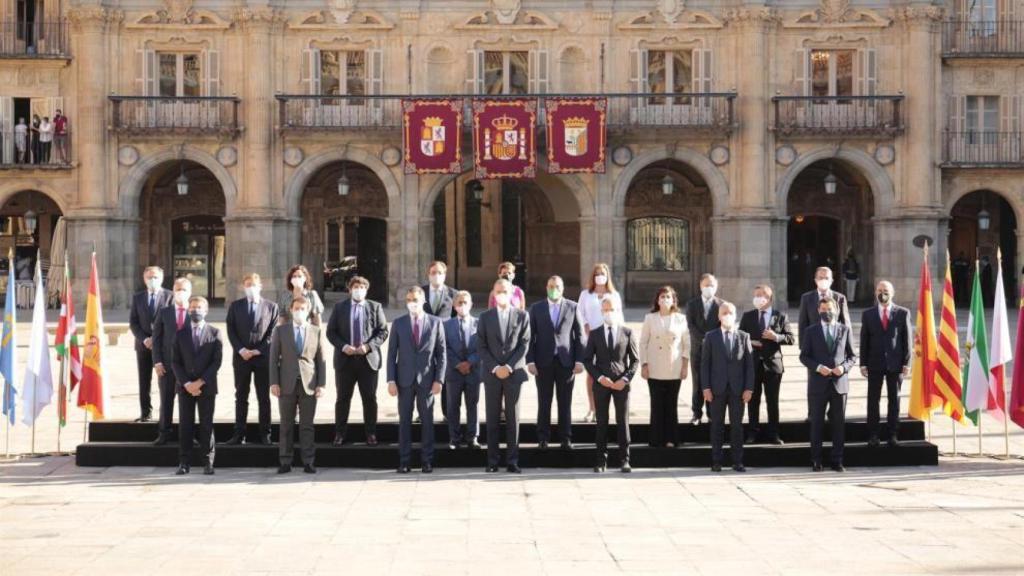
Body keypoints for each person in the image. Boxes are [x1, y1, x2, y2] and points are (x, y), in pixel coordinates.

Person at [387, 287, 446, 473]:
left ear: (424, 301)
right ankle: (404, 461)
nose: (413, 302)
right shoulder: (398, 323)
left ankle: (426, 461)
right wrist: (391, 380)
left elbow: (441, 354)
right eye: (409, 299)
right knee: (405, 421)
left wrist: (439, 380)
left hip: (427, 380)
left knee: (427, 422)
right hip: (404, 380)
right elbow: (391, 355)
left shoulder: (436, 323)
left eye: (416, 299)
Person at [325, 275, 388, 446]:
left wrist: (368, 346)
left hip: (367, 360)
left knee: (369, 398)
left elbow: (382, 331)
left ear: (366, 290)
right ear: (350, 289)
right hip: (345, 360)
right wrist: (343, 346)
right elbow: (331, 332)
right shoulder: (340, 308)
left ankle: (371, 434)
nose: (358, 290)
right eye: (355, 287)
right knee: (343, 398)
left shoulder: (375, 307)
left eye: (362, 287)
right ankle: (339, 433)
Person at [478, 278, 531, 473]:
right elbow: (481, 346)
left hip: (513, 374)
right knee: (492, 418)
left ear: (511, 293)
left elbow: (524, 344)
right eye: (498, 291)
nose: (501, 294)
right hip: (492, 375)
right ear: (493, 293)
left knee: (512, 418)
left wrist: (508, 366)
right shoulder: (484, 317)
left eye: (505, 291)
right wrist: (495, 367)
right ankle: (492, 461)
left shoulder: (522, 316)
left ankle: (512, 460)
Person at [270, 296, 326, 474]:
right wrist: (274, 382)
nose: (299, 311)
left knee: (307, 425)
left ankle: (308, 461)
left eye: (303, 308)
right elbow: (273, 360)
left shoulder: (316, 331)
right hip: (286, 383)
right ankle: (285, 461)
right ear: (291, 310)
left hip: (309, 383)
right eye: (296, 308)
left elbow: (321, 360)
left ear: (308, 310)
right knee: (286, 424)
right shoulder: (281, 331)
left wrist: (321, 384)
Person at [527, 275, 584, 450]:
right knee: (544, 401)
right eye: (551, 286)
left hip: (565, 362)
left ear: (563, 288)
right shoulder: (536, 308)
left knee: (564, 402)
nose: (554, 289)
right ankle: (543, 438)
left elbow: (580, 335)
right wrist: (530, 361)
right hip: (543, 362)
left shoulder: (573, 307)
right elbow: (529, 337)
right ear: (546, 287)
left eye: (557, 286)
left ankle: (565, 438)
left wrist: (579, 360)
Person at [800, 297, 856, 472]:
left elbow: (852, 356)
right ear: (818, 311)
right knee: (816, 423)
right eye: (823, 309)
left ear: (836, 310)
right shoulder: (811, 331)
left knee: (838, 424)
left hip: (839, 384)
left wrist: (843, 368)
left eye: (830, 309)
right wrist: (817, 367)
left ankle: (837, 460)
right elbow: (804, 356)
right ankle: (816, 460)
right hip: (818, 384)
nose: (827, 312)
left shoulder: (844, 329)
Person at [582, 297, 638, 473]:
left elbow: (635, 361)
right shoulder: (595, 333)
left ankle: (625, 459)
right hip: (602, 384)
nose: (609, 313)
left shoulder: (627, 332)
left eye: (611, 309)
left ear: (617, 310)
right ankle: (601, 460)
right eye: (605, 310)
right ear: (601, 312)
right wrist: (599, 378)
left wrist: (625, 379)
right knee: (602, 422)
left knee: (622, 421)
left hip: (621, 384)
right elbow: (587, 360)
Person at [224, 273, 280, 445]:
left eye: (254, 284)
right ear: (243, 286)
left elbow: (272, 333)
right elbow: (231, 330)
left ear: (260, 286)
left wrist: (258, 350)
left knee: (263, 397)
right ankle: (239, 433)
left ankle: (265, 434)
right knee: (241, 396)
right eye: (248, 284)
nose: (251, 287)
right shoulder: (235, 306)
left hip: (262, 358)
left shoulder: (271, 307)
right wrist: (241, 349)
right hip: (241, 358)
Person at [172, 297, 223, 476]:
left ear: (206, 310)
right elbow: (175, 362)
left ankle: (208, 462)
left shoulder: (215, 333)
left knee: (206, 425)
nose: (195, 310)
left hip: (206, 387)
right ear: (188, 310)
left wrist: (200, 382)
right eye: (192, 307)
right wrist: (187, 384)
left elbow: (216, 362)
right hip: (185, 388)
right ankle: (184, 463)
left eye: (199, 307)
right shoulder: (180, 333)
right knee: (185, 425)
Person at [701, 302, 754, 473]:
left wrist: (749, 388)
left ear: (735, 315)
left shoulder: (743, 336)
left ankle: (737, 461)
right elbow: (705, 364)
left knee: (737, 426)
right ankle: (716, 461)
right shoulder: (711, 336)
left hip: (738, 389)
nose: (727, 315)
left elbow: (749, 366)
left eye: (730, 312)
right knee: (717, 425)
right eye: (724, 312)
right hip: (716, 389)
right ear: (718, 316)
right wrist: (706, 388)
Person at [739, 284, 794, 445]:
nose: (758, 297)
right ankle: (752, 433)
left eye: (762, 294)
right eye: (756, 294)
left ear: (770, 298)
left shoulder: (780, 315)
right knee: (753, 400)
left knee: (772, 401)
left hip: (773, 365)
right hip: (753, 364)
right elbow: (740, 337)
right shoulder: (748, 316)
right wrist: (751, 341)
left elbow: (790, 338)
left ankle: (774, 433)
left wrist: (775, 336)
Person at [859, 280, 911, 448]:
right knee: (873, 400)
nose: (883, 293)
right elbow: (864, 339)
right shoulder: (868, 314)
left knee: (894, 400)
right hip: (874, 363)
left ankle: (893, 434)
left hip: (895, 365)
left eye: (886, 290)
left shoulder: (903, 313)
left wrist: (907, 362)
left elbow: (906, 340)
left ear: (892, 293)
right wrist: (863, 363)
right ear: (875, 292)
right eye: (880, 290)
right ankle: (873, 434)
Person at [797, 266, 851, 419]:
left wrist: (847, 349)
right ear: (815, 280)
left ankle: (833, 412)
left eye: (826, 277)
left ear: (832, 280)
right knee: (813, 382)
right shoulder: (807, 298)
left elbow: (845, 323)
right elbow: (803, 323)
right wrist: (804, 349)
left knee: (835, 380)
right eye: (820, 277)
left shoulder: (839, 298)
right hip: (814, 349)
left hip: (835, 346)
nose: (823, 280)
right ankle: (812, 413)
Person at [639, 285, 690, 448]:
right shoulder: (650, 318)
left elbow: (686, 344)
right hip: (654, 367)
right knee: (657, 403)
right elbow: (643, 343)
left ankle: (671, 438)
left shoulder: (681, 319)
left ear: (673, 299)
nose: (665, 299)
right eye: (662, 297)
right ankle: (655, 439)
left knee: (671, 404)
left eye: (668, 297)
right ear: (657, 300)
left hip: (674, 367)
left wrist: (685, 366)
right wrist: (644, 364)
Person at [577, 262, 622, 423]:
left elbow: (619, 316)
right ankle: (592, 408)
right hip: (590, 338)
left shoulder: (614, 294)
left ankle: (605, 410)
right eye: (597, 274)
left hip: (608, 338)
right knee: (592, 374)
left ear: (607, 276)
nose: (599, 276)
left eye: (602, 273)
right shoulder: (585, 294)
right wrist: (586, 326)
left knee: (609, 373)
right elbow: (580, 313)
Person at [151, 277, 192, 446]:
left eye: (183, 289)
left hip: (189, 367)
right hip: (167, 365)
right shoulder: (164, 312)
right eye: (177, 289)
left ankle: (188, 434)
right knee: (166, 400)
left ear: (189, 292)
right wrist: (157, 361)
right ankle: (164, 433)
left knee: (188, 403)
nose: (180, 292)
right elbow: (156, 339)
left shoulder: (196, 311)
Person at [129, 266, 172, 423]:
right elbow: (133, 322)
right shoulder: (138, 297)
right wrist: (144, 339)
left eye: (155, 277)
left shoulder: (170, 296)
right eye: (149, 277)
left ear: (161, 278)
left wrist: (156, 340)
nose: (152, 280)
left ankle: (165, 414)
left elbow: (171, 322)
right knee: (144, 380)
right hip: (143, 346)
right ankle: (145, 412)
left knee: (165, 381)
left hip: (162, 347)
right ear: (144, 278)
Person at [444, 291, 481, 449]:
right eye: (459, 303)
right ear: (454, 305)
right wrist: (458, 364)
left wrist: (470, 362)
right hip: (454, 372)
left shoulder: (479, 324)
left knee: (473, 405)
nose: (462, 305)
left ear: (471, 304)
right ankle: (454, 437)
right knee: (453, 406)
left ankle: (472, 437)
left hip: (473, 371)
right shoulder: (446, 325)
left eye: (465, 302)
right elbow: (444, 347)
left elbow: (482, 347)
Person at [685, 273, 722, 425]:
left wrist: (711, 340)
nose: (709, 288)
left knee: (712, 383)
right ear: (700, 286)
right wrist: (704, 339)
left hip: (715, 351)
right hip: (697, 350)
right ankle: (696, 413)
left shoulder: (721, 305)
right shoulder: (692, 305)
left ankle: (712, 413)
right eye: (706, 285)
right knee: (698, 383)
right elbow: (691, 325)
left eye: (712, 285)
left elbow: (723, 325)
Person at [422, 260, 457, 419]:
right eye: (433, 273)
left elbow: (456, 320)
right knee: (424, 378)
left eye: (440, 273)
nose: (437, 276)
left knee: (445, 378)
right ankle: (423, 411)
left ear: (445, 275)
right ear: (428, 275)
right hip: (424, 344)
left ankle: (447, 413)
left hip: (446, 343)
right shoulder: (420, 292)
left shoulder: (453, 294)